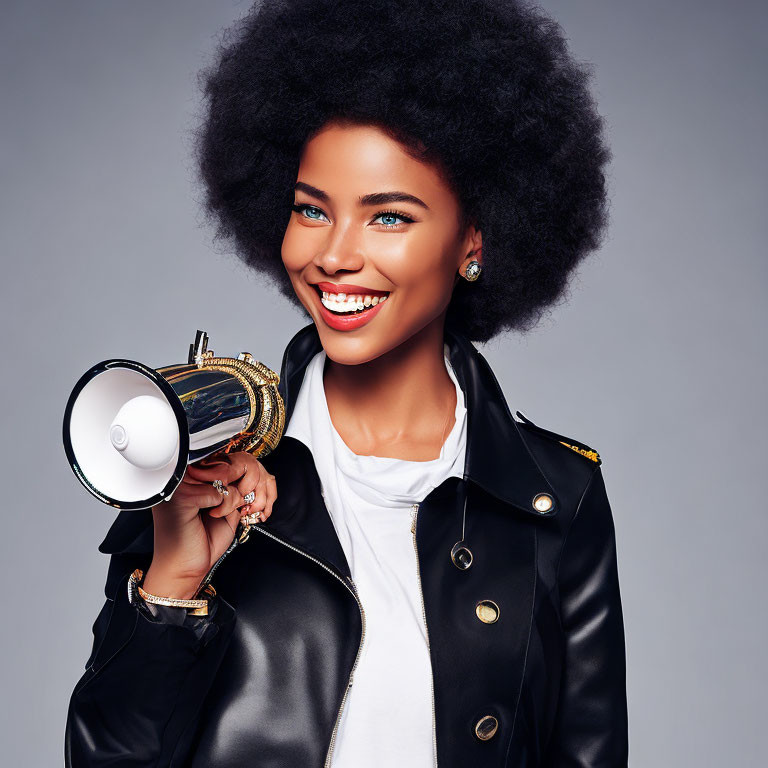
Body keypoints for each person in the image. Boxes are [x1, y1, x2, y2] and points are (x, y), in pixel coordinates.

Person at [65, 1, 628, 766]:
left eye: (388, 217)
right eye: (311, 209)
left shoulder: (558, 500)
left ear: (473, 239)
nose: (334, 255)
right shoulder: (192, 461)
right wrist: (173, 586)